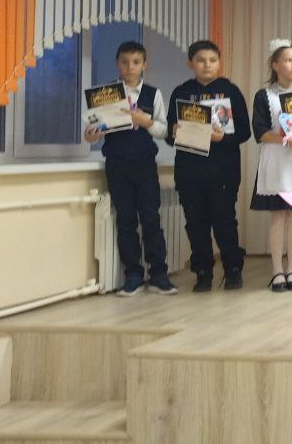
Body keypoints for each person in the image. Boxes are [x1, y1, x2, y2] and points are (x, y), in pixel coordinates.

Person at [83, 40, 173, 297]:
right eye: (124, 62)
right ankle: (133, 274)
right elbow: (92, 131)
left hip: (145, 164)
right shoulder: (106, 94)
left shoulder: (153, 94)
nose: (130, 67)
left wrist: (145, 121)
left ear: (144, 65)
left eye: (135, 62)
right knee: (126, 221)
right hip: (117, 164)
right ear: (117, 64)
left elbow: (163, 130)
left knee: (151, 219)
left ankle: (159, 274)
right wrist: (91, 134)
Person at [166, 40, 251, 292]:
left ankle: (232, 269)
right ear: (190, 63)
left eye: (212, 60)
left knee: (224, 221)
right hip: (189, 170)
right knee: (195, 223)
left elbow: (245, 132)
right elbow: (169, 136)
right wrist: (176, 131)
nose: (207, 65)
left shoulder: (230, 91)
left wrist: (222, 138)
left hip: (223, 170)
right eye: (201, 60)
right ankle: (202, 272)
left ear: (219, 62)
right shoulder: (181, 92)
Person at [250, 39, 292, 292]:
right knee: (278, 215)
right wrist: (282, 138)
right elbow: (259, 131)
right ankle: (277, 270)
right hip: (277, 159)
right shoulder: (264, 95)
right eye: (289, 60)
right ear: (275, 65)